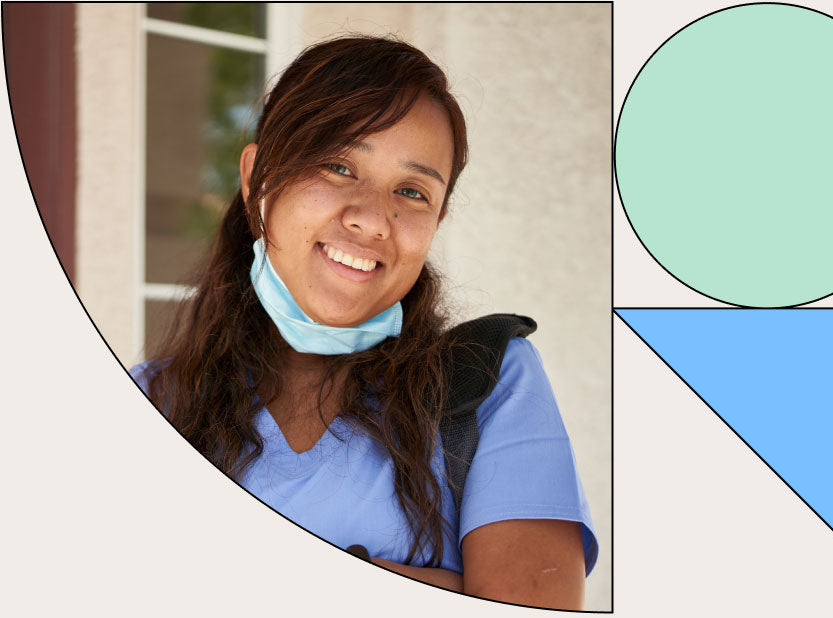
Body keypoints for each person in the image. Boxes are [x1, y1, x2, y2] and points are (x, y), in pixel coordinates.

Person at [130, 35, 597, 610]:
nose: (374, 219)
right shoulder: (149, 401)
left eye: (412, 191)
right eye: (337, 165)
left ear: (437, 220)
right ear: (257, 179)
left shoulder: (486, 383)